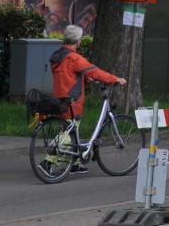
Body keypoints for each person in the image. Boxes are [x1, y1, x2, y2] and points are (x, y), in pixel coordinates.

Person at [50, 24, 126, 174]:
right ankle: (49, 160)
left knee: (72, 131)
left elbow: (68, 74)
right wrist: (115, 79)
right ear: (77, 40)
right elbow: (95, 71)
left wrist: (84, 78)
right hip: (73, 99)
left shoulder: (58, 55)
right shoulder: (73, 57)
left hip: (59, 96)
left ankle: (74, 163)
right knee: (69, 130)